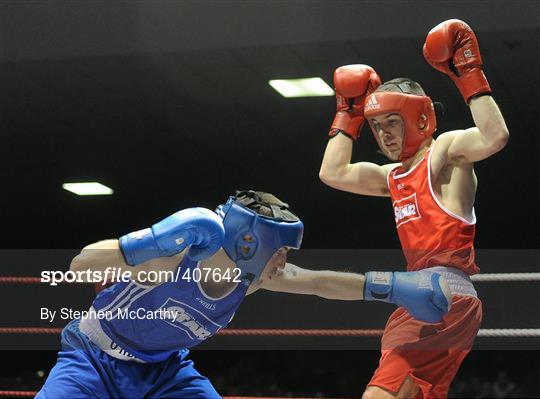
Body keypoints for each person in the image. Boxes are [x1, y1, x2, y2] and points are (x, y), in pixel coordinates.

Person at [37, 190, 451, 398]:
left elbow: (318, 282)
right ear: (249, 243)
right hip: (93, 358)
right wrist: (147, 242)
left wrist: (393, 287)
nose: (284, 259)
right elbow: (79, 267)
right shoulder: (176, 255)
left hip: (165, 371)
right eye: (280, 249)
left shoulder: (250, 278)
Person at [319, 19, 509, 399]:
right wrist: (349, 115)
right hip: (430, 297)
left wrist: (468, 72)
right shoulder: (393, 177)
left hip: (440, 294)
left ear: (420, 118)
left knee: (380, 393)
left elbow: (494, 136)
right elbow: (332, 172)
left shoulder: (444, 154)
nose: (385, 133)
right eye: (376, 125)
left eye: (392, 121)